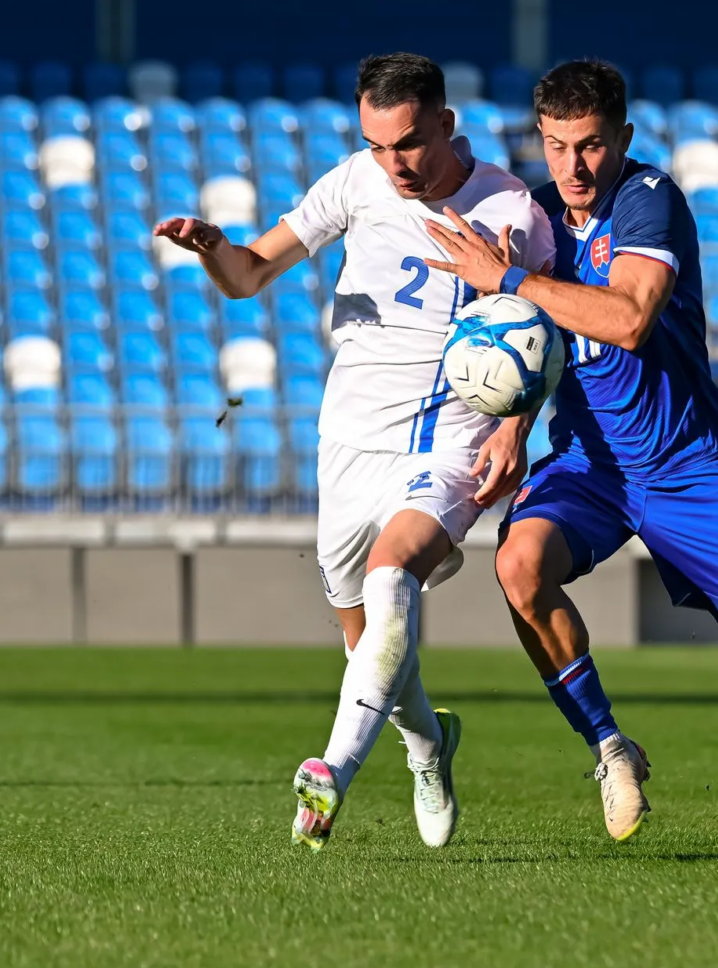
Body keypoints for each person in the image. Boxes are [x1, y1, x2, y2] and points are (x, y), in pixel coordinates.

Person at [423, 59, 718, 854]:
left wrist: (508, 276)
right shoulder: (537, 217)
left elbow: (626, 320)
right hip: (590, 465)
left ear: (622, 137)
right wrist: (513, 427)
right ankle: (609, 747)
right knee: (518, 564)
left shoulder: (650, 200)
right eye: (556, 147)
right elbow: (531, 342)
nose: (574, 167)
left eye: (590, 145)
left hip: (687, 466)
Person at [155, 52, 556, 849]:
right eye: (377, 144)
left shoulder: (510, 206)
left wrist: (515, 426)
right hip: (348, 439)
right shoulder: (354, 182)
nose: (393, 163)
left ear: (445, 123)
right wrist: (211, 246)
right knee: (370, 641)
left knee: (391, 575)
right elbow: (248, 275)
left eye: (407, 142)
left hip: (447, 439)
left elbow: (540, 332)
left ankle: (330, 772)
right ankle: (428, 747)